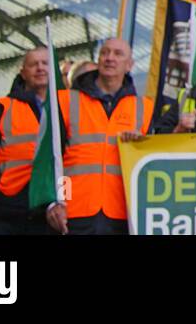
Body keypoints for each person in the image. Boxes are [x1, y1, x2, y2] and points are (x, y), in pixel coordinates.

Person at [47, 38, 152, 235]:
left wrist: (142, 146)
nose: (110, 58)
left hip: (123, 213)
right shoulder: (66, 101)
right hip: (73, 212)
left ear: (129, 65)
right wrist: (58, 201)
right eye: (105, 52)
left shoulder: (145, 107)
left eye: (118, 54)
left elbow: (154, 163)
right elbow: (51, 160)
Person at [0, 48, 53, 234]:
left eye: (45, 63)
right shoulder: (3, 107)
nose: (40, 68)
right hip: (8, 209)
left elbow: (73, 157)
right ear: (23, 73)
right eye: (33, 64)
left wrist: (66, 198)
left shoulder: (67, 107)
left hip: (50, 210)